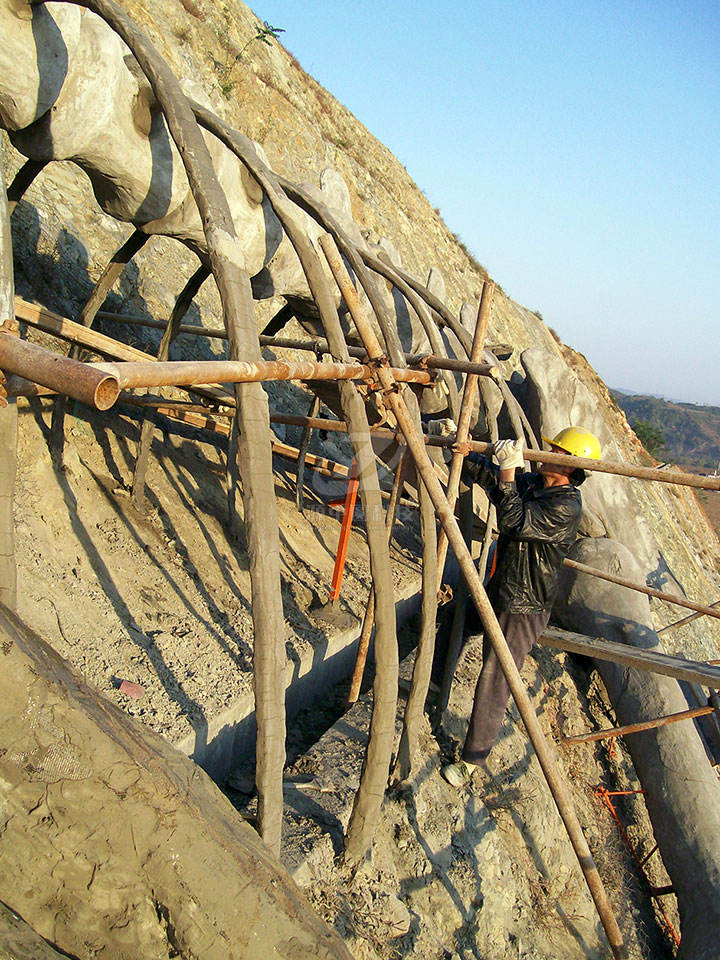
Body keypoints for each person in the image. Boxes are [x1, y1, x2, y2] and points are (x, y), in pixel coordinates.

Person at [439, 426, 602, 787]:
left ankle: (472, 760)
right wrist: (460, 448)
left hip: (525, 605)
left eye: (557, 451)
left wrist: (510, 473)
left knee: (496, 675)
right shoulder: (535, 485)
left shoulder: (565, 506)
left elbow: (513, 521)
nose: (546, 453)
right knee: (455, 617)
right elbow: (492, 478)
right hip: (500, 588)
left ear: (571, 467)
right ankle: (435, 686)